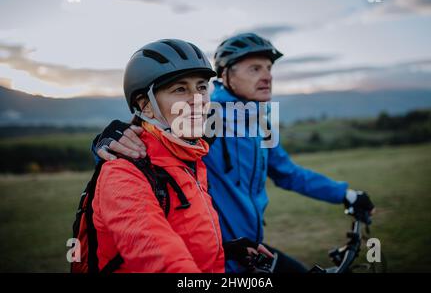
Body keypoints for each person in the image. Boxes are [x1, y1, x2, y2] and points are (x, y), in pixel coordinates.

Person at [94, 33, 374, 273]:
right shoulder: (209, 117)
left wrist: (345, 194)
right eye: (254, 69)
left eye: (268, 68)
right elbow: (149, 151)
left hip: (240, 249)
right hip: (202, 256)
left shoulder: (259, 122)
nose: (266, 76)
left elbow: (288, 173)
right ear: (226, 74)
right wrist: (106, 143)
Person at [92, 38, 271, 273]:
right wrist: (100, 147)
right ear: (145, 105)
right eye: (179, 89)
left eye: (202, 87)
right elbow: (161, 261)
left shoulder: (190, 158)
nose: (197, 99)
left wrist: (224, 250)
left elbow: (180, 234)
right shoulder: (124, 173)